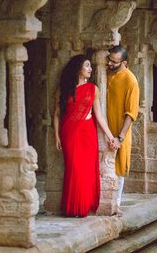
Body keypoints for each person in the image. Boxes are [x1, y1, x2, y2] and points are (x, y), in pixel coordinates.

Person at [54, 54, 116, 217]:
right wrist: (56, 136)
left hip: (87, 133)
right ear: (78, 69)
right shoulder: (64, 89)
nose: (90, 69)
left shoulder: (93, 89)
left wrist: (110, 136)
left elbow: (99, 116)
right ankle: (72, 208)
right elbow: (56, 114)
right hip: (69, 133)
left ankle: (82, 208)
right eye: (87, 65)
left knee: (86, 170)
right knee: (73, 169)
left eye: (90, 66)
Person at [106, 45, 140, 217]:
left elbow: (131, 113)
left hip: (120, 131)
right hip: (103, 128)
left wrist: (120, 137)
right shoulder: (104, 73)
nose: (110, 64)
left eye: (114, 62)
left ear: (124, 62)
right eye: (109, 60)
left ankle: (116, 203)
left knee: (119, 166)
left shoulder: (130, 80)